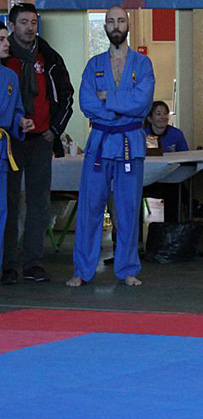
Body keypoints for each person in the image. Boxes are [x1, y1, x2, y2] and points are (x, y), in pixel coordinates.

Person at [66, 6, 154, 288]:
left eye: (120, 20)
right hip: (100, 144)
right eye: (110, 21)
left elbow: (141, 102)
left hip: (130, 144)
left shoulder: (142, 65)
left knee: (128, 210)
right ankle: (82, 270)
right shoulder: (94, 65)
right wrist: (119, 105)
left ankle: (128, 268)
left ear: (128, 25)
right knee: (90, 208)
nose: (115, 25)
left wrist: (109, 99)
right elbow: (87, 103)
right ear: (104, 27)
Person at [2, 2, 73, 286]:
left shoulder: (48, 56)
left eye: (33, 22)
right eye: (23, 22)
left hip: (41, 140)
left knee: (39, 204)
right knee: (8, 203)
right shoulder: (4, 58)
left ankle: (33, 262)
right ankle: (8, 263)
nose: (30, 27)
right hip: (9, 142)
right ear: (12, 26)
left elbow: (66, 94)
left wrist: (55, 130)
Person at [0, 23, 34, 275]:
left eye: (5, 39)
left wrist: (21, 122)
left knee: (2, 211)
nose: (6, 44)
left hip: (2, 152)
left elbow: (16, 111)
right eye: (1, 39)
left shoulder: (10, 78)